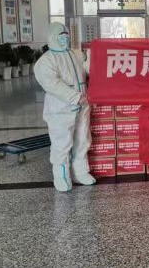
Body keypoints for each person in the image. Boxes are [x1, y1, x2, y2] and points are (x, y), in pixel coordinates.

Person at [34, 22, 95, 191]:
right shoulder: (46, 61)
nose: (65, 38)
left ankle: (80, 172)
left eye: (67, 35)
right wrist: (75, 97)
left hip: (82, 105)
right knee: (62, 142)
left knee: (83, 139)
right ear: (52, 37)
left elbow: (87, 70)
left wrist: (93, 56)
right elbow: (52, 84)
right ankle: (61, 176)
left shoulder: (75, 54)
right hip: (61, 108)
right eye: (61, 36)